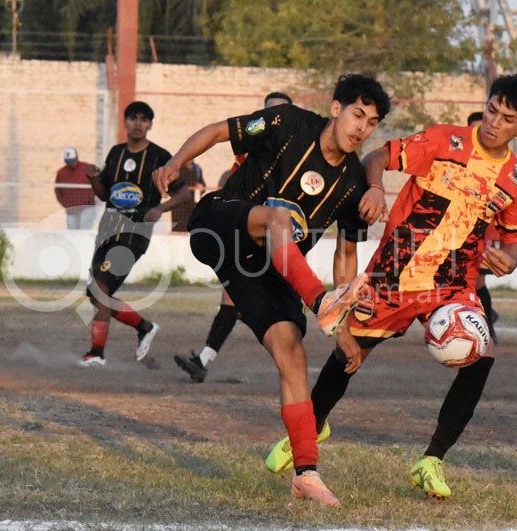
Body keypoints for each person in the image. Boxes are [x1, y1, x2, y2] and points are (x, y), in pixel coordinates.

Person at [265, 74, 517, 501]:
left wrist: (509, 260)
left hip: (452, 284)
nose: (493, 123)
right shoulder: (444, 141)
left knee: (481, 356)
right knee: (347, 355)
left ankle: (431, 460)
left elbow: (512, 242)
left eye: (506, 119)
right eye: (491, 110)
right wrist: (375, 187)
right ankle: (311, 428)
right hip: (394, 275)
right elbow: (377, 155)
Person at [154, 74, 392, 507]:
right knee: (278, 219)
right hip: (220, 224)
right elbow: (218, 131)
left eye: (372, 122)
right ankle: (319, 302)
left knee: (292, 352)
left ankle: (306, 472)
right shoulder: (287, 121)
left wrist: (343, 328)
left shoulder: (355, 182)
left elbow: (345, 257)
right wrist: (175, 161)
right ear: (336, 108)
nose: (362, 128)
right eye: (357, 114)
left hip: (265, 267)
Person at [174, 90, 294, 383]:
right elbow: (229, 174)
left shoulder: (296, 158)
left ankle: (287, 362)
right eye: (268, 112)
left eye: (281, 112)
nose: (274, 118)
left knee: (258, 306)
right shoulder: (248, 152)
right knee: (236, 300)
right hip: (245, 234)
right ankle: (204, 360)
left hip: (272, 240)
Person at [78, 101, 187, 368]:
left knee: (101, 289)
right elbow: (105, 194)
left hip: (134, 232)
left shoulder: (160, 157)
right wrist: (94, 178)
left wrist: (160, 208)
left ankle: (97, 353)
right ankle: (144, 327)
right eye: (133, 118)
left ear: (150, 125)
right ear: (125, 122)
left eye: (143, 119)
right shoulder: (115, 153)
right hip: (108, 230)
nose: (138, 123)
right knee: (95, 292)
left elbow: (184, 192)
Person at [467, 112, 502, 344]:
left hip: (485, 227)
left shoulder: (498, 161)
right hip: (460, 226)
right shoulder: (462, 156)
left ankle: (487, 325)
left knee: (477, 279)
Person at [55, 147, 100, 230]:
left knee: (84, 230)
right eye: (68, 162)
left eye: (72, 161)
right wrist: (66, 205)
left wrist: (89, 199)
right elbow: (58, 191)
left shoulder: (87, 168)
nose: (70, 164)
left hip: (87, 207)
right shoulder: (61, 173)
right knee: (72, 231)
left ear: (77, 158)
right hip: (71, 209)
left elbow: (97, 183)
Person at [170, 159, 206, 231]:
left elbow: (203, 185)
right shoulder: (177, 170)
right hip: (179, 208)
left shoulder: (197, 169)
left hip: (192, 206)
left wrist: (201, 187)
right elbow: (172, 188)